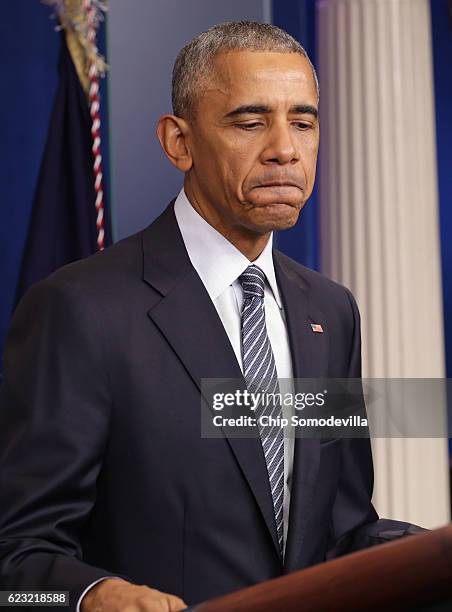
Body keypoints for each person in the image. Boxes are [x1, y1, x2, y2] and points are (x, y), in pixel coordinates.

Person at [0, 21, 422, 612]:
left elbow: (340, 531)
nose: (285, 148)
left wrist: (426, 556)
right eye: (250, 122)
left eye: (302, 122)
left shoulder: (331, 311)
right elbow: (13, 567)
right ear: (179, 142)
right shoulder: (80, 310)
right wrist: (91, 595)